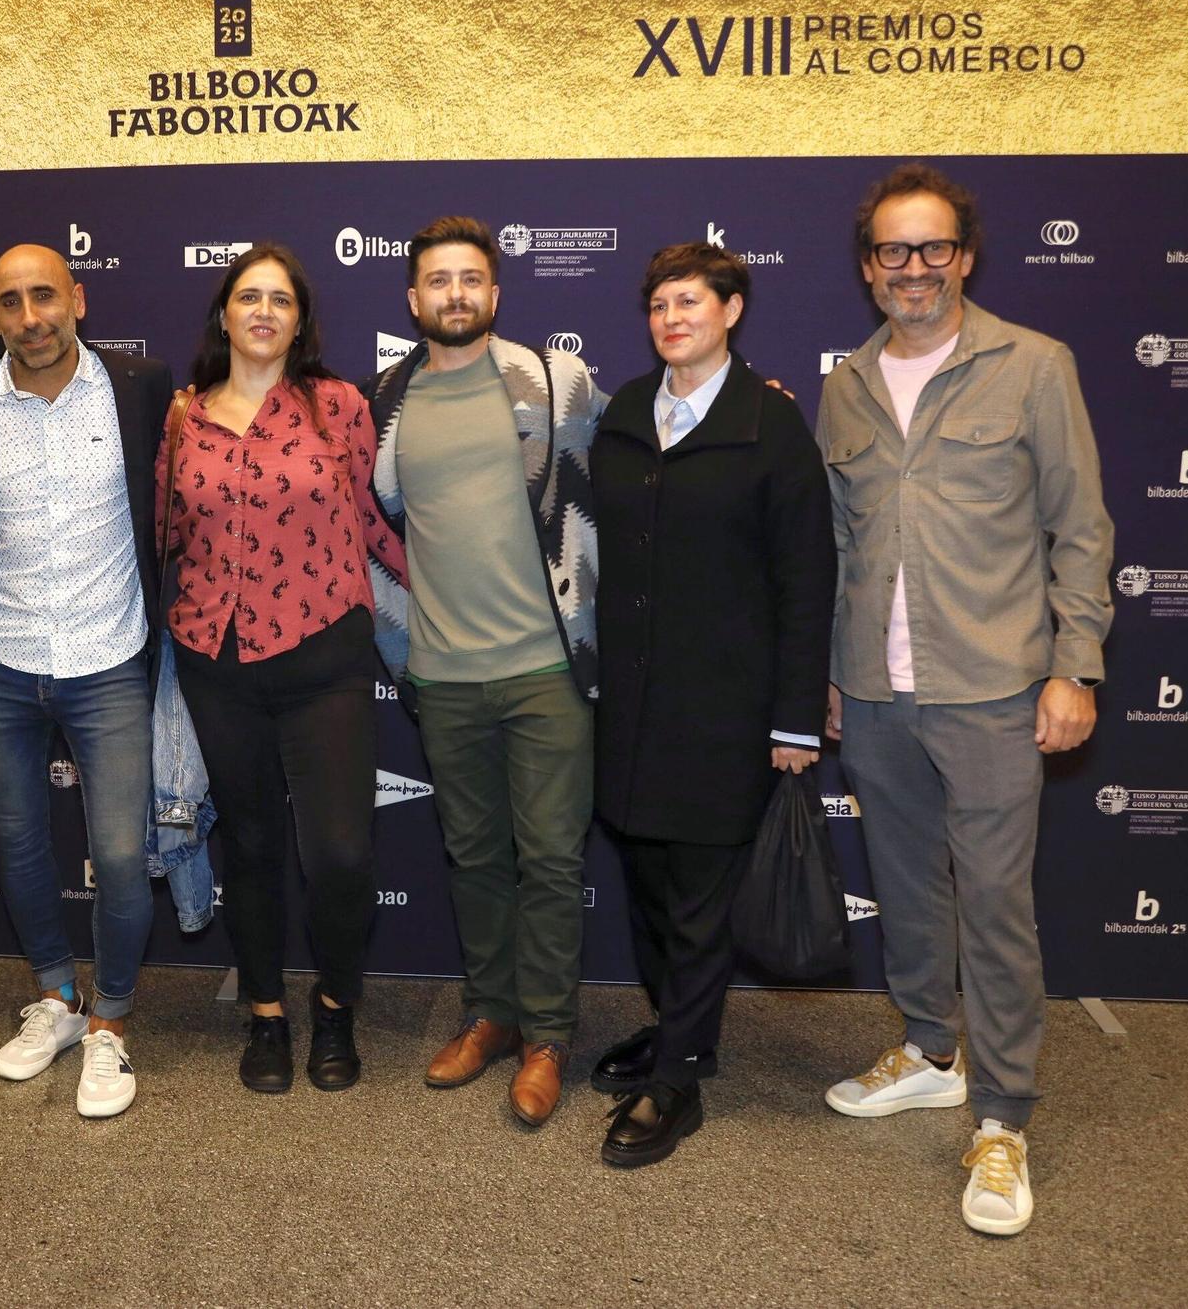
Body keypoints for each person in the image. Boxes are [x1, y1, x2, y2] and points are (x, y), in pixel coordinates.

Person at [816, 164, 1114, 1235]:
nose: (913, 268)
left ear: (964, 256)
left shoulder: (1030, 366)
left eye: (931, 247)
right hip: (875, 691)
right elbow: (843, 544)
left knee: (993, 906)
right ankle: (931, 1049)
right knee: (904, 890)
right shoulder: (844, 385)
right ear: (867, 267)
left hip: (992, 685)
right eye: (892, 251)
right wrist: (833, 673)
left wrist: (1072, 664)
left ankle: (1000, 1119)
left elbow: (1078, 526)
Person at [588, 242, 833, 1166]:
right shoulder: (620, 412)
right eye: (657, 304)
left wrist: (795, 721)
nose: (671, 317)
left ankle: (680, 1075)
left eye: (690, 300)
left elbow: (807, 581)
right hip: (631, 710)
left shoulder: (771, 428)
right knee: (649, 889)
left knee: (697, 903)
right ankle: (675, 1030)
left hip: (726, 715)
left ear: (731, 310)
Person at [364, 216, 604, 1126]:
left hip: (547, 667)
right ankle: (490, 1013)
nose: (455, 294)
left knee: (547, 857)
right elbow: (374, 525)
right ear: (413, 298)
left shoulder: (557, 379)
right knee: (473, 857)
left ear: (494, 295)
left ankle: (547, 1033)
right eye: (438, 280)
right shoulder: (383, 398)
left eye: (471, 279)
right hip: (442, 674)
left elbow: (636, 464)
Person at [0, 244, 171, 1119]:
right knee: (21, 846)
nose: (31, 317)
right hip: (2, 659)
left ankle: (109, 1018)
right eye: (9, 303)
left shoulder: (139, 388)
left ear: (78, 299)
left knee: (116, 854)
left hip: (109, 658)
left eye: (44, 296)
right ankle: (57, 999)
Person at [158, 243, 407, 1093]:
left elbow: (376, 521)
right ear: (223, 314)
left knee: (339, 852)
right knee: (254, 847)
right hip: (214, 659)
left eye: (281, 300)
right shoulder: (183, 416)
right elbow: (167, 534)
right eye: (248, 297)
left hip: (323, 652)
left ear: (300, 320)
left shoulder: (339, 405)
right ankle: (266, 1013)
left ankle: (336, 1006)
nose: (263, 311)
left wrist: (434, 599)